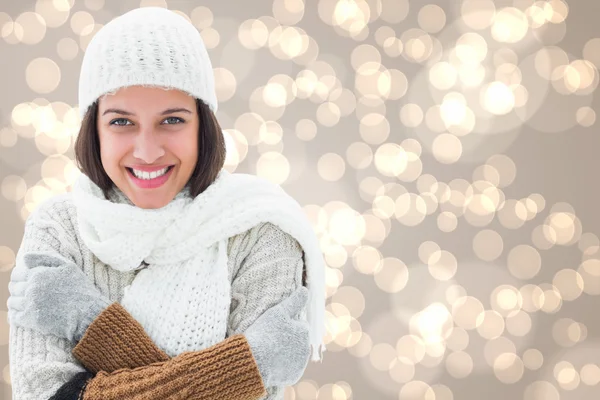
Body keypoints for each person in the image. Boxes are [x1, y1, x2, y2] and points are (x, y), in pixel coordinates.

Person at [6, 7, 326, 400]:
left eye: (172, 120)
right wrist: (248, 363)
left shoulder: (259, 231)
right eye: (121, 122)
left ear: (202, 125)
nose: (147, 150)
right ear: (94, 129)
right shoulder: (59, 229)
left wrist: (88, 320)